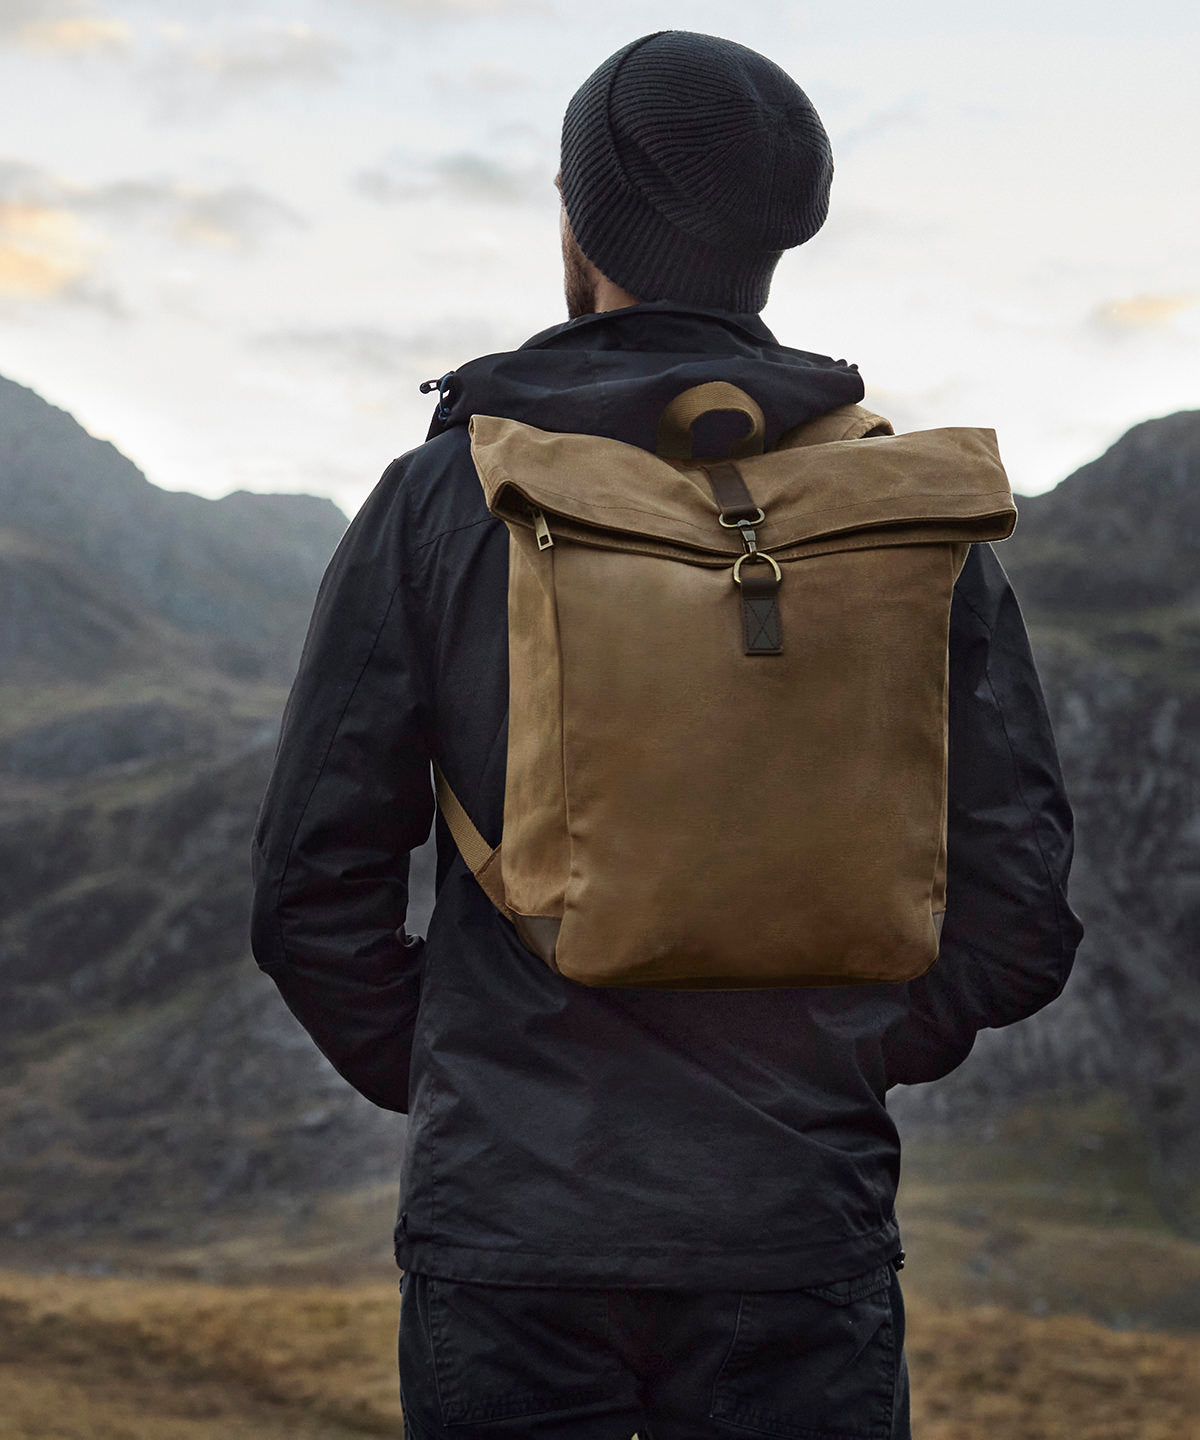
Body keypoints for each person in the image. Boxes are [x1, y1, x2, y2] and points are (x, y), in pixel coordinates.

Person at [250, 30, 1082, 1440]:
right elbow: (1019, 924)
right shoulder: (900, 513)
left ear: (580, 225)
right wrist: (845, 1055)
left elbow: (308, 897)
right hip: (796, 1232)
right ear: (772, 244)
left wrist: (476, 1083)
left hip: (508, 1243)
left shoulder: (444, 497)